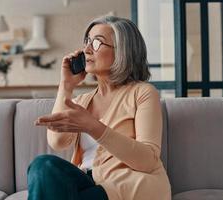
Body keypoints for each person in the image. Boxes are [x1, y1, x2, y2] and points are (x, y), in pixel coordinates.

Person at [28, 15, 172, 200]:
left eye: (97, 43)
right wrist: (66, 86)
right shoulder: (83, 101)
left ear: (122, 51)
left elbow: (148, 160)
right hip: (89, 181)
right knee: (43, 165)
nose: (86, 49)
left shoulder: (142, 93)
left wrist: (92, 126)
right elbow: (58, 142)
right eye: (87, 41)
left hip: (129, 186)